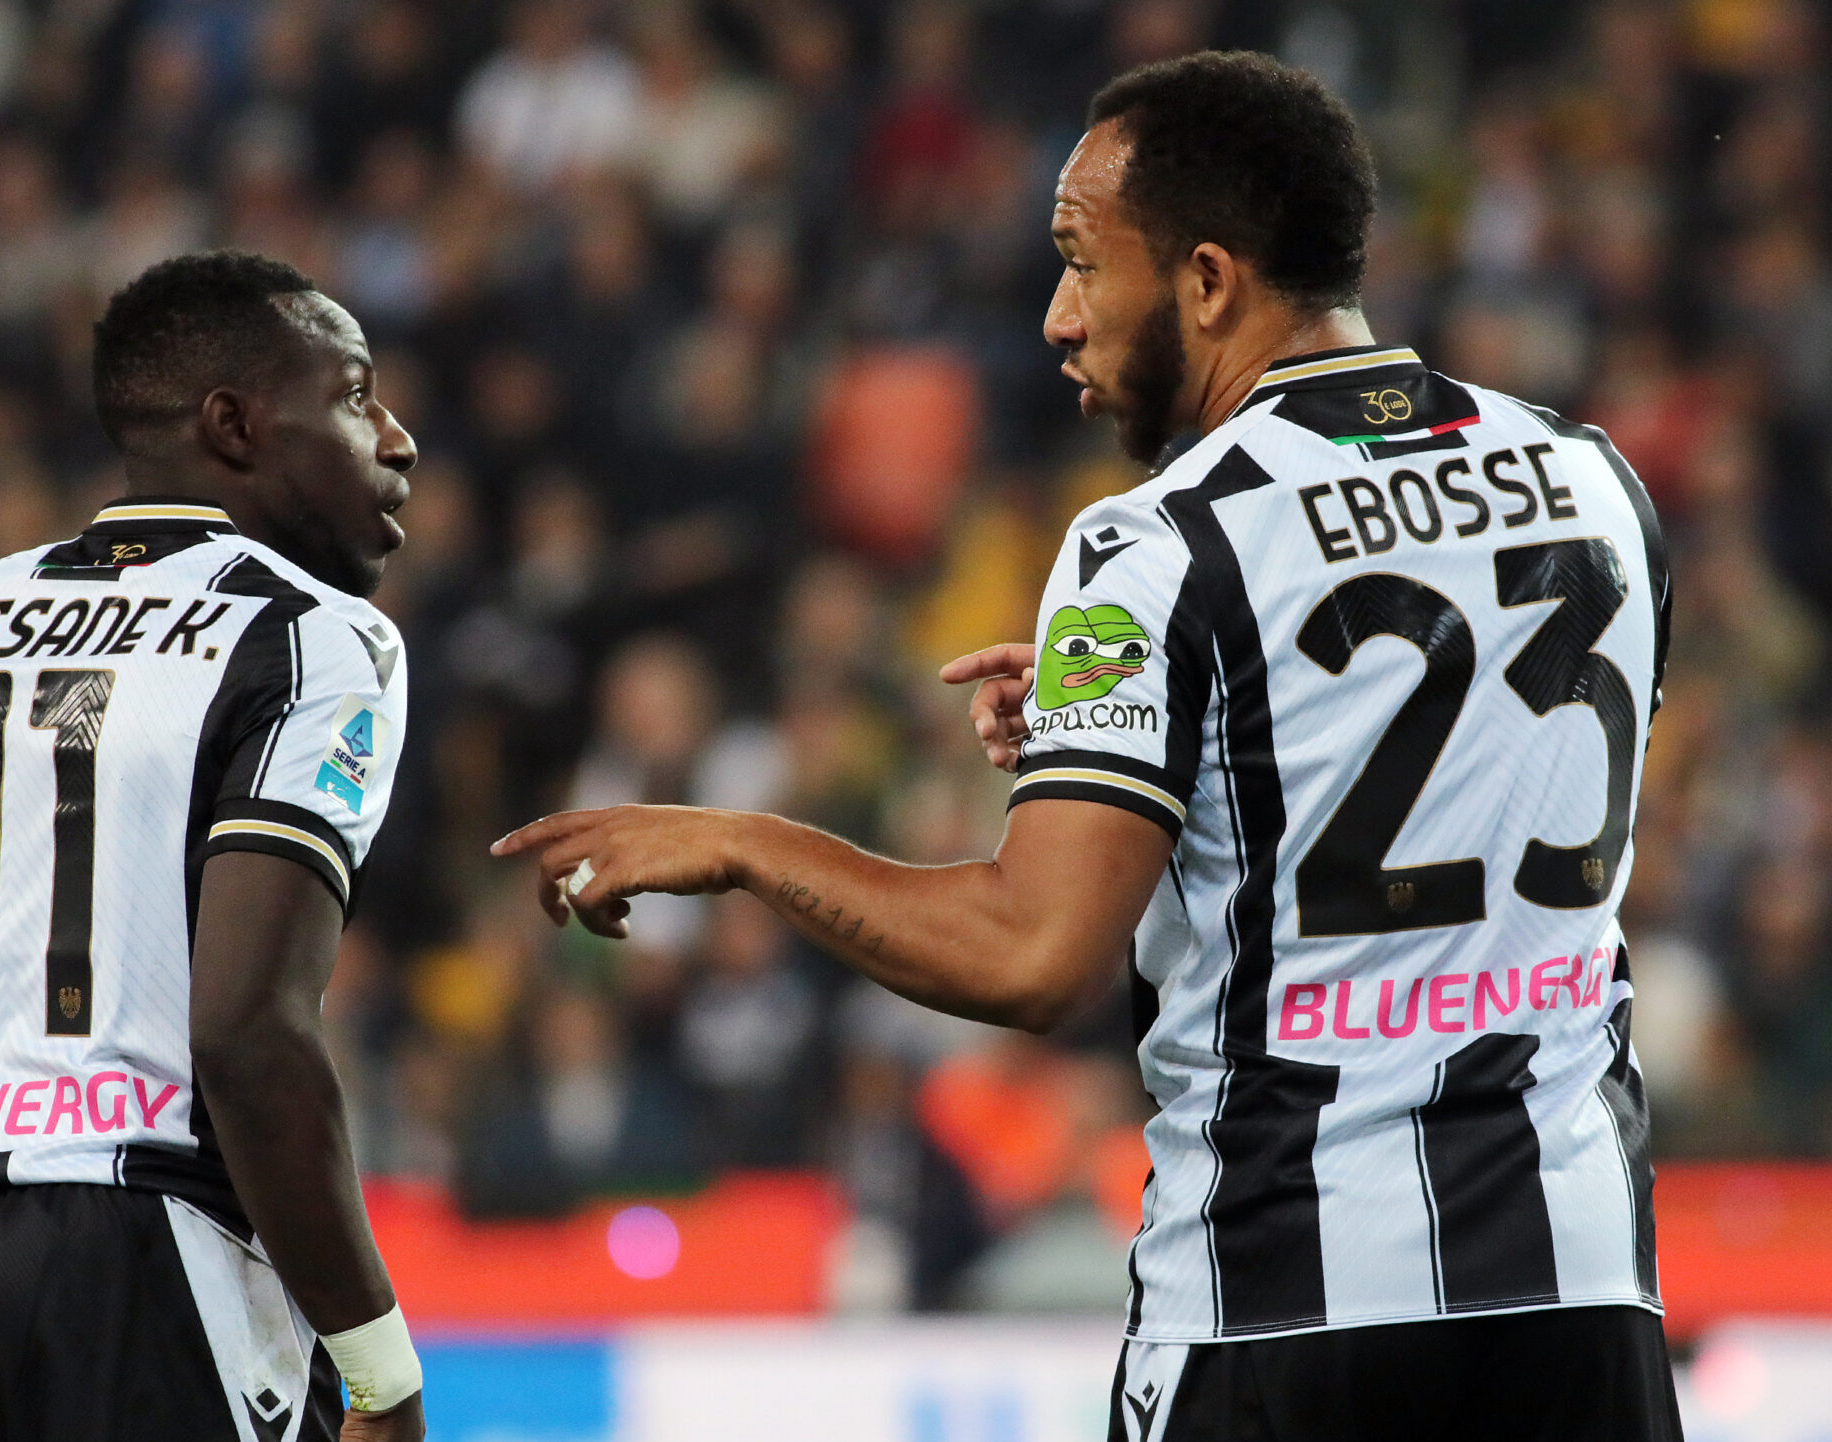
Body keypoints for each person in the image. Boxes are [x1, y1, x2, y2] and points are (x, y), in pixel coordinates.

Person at [496, 51, 1681, 1441]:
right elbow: (1469, 763)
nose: (1057, 317)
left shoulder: (1157, 544)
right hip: (1585, 1296)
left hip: (1282, 1305)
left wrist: (746, 842)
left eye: (1080, 261)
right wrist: (1170, 735)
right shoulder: (1595, 480)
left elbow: (1033, 951)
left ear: (1207, 280)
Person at [0, 251, 428, 1441]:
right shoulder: (310, 636)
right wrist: (379, 1367)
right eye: (357, 394)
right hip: (135, 1238)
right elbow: (246, 1029)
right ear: (236, 424)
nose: (398, 438)